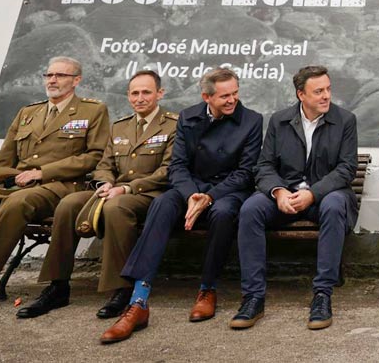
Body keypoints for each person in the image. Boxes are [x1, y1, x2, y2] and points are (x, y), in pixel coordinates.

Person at [0, 58, 109, 318]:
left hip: (57, 187)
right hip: (13, 187)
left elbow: (94, 156)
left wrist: (43, 172)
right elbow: (3, 159)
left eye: (60, 75)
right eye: (48, 75)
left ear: (76, 80)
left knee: (17, 204)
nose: (52, 80)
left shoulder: (92, 111)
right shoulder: (28, 113)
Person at [100, 68, 263, 344]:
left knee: (223, 213)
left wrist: (209, 197)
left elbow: (245, 172)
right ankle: (139, 300)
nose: (232, 100)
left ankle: (207, 289)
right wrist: (191, 195)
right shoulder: (188, 117)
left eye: (235, 93)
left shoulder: (252, 120)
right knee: (162, 204)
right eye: (224, 96)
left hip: (227, 189)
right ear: (207, 97)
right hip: (191, 186)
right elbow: (177, 166)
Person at [17, 69, 178, 321]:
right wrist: (104, 182)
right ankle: (58, 285)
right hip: (112, 189)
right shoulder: (120, 126)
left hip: (149, 193)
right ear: (128, 95)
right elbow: (105, 164)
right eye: (134, 93)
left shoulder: (174, 125)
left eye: (146, 92)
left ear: (160, 93)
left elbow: (169, 170)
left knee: (117, 208)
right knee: (69, 203)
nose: (140, 98)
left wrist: (127, 188)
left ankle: (121, 288)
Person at [231, 66, 358, 331]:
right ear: (301, 94)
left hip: (324, 197)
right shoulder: (279, 120)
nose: (326, 96)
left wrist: (313, 193)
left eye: (328, 89)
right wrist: (278, 192)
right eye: (318, 91)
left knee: (335, 205)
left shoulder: (345, 120)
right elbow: (264, 166)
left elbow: (346, 169)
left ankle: (322, 295)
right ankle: (253, 297)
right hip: (286, 196)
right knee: (251, 208)